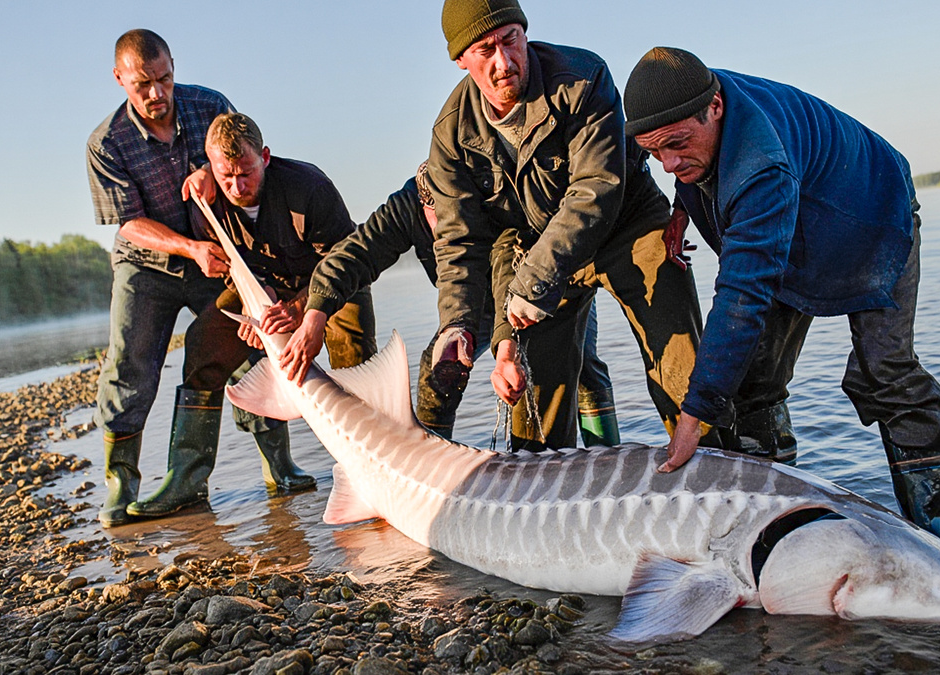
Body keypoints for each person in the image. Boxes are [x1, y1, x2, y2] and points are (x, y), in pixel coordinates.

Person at [623, 47, 940, 541]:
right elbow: (686, 156)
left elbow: (741, 296)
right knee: (751, 383)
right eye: (655, 154)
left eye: (677, 145)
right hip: (796, 212)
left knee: (885, 370)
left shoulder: (760, 167)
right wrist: (682, 206)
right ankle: (771, 530)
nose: (669, 163)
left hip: (869, 211)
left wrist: (693, 416)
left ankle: (937, 536)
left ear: (715, 105)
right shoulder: (694, 103)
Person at [426, 0, 704, 451]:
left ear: (524, 33)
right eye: (484, 50)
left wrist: (533, 279)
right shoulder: (451, 133)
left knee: (683, 370)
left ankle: (717, 472)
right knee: (534, 406)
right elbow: (461, 241)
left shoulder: (582, 76)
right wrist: (456, 325)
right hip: (540, 251)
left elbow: (597, 187)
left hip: (627, 225)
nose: (503, 62)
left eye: (510, 40)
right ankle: (542, 501)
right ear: (461, 60)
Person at [132, 111, 378, 517]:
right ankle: (187, 480)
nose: (237, 186)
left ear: (264, 156)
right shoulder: (206, 202)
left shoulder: (309, 187)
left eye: (246, 173)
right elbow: (233, 267)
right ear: (210, 169)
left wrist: (301, 308)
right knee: (203, 343)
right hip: (262, 286)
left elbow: (349, 261)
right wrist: (250, 302)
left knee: (353, 361)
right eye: (226, 177)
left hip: (332, 283)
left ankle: (371, 474)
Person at [281, 163, 620, 445]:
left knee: (578, 366)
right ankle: (429, 461)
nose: (453, 229)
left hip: (536, 292)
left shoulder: (491, 205)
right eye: (442, 221)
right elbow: (352, 256)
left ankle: (604, 455)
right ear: (424, 204)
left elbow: (509, 276)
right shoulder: (404, 207)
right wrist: (315, 313)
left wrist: (506, 351)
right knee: (437, 371)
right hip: (470, 308)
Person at [86, 29, 238, 527]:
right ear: (119, 80)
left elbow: (243, 160)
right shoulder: (106, 142)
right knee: (130, 366)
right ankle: (121, 486)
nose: (156, 94)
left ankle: (273, 469)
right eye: (141, 84)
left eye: (164, 78)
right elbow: (128, 223)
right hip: (144, 264)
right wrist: (188, 248)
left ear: (174, 66)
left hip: (212, 255)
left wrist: (213, 177)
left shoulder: (211, 105)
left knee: (241, 344)